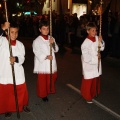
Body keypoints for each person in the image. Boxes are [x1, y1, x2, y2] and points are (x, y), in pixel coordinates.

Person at [0, 22, 30, 118]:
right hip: (5, 71)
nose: (14, 34)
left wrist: (16, 59)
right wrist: (2, 28)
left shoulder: (20, 44)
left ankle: (22, 105)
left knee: (21, 90)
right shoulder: (1, 41)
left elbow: (22, 57)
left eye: (16, 32)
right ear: (6, 32)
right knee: (7, 92)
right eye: (11, 32)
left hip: (17, 71)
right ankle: (7, 108)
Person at [33, 20, 59, 102]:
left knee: (52, 78)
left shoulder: (51, 38)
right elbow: (36, 51)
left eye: (47, 29)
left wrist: (53, 44)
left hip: (51, 63)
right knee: (43, 81)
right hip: (43, 64)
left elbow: (56, 49)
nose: (46, 30)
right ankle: (43, 94)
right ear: (40, 29)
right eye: (44, 29)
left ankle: (49, 90)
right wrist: (46, 56)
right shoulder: (37, 41)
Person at [80, 22, 105, 104]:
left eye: (95, 31)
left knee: (95, 80)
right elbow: (86, 57)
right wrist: (96, 57)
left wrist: (101, 42)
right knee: (89, 81)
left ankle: (93, 93)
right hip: (89, 65)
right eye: (93, 31)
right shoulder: (85, 43)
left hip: (96, 64)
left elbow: (102, 48)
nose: (95, 32)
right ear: (88, 31)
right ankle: (87, 96)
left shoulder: (97, 38)